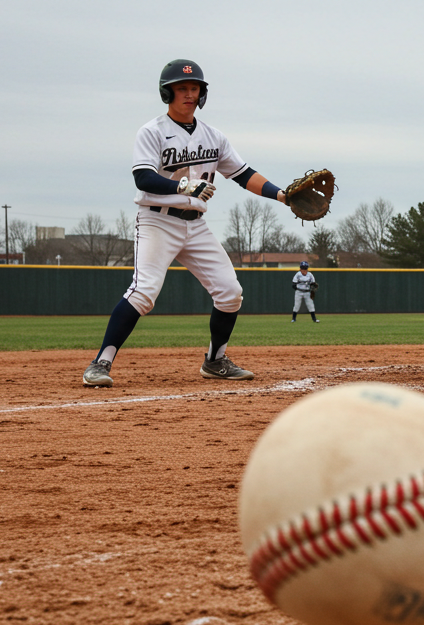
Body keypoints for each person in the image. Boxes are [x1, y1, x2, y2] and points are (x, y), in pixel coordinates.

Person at [81, 59, 297, 387]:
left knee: (230, 292)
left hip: (195, 226)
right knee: (144, 292)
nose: (189, 94)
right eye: (182, 88)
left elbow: (244, 174)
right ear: (167, 92)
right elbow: (143, 177)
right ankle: (100, 363)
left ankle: (215, 361)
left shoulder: (214, 136)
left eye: (194, 88)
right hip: (157, 222)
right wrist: (180, 186)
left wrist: (281, 195)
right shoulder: (152, 132)